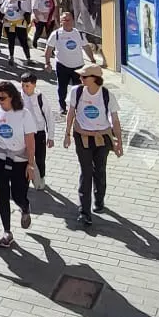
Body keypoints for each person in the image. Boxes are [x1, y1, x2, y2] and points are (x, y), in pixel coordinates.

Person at [0, 78, 47, 247]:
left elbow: (30, 142)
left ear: (12, 96)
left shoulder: (24, 114)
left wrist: (31, 164)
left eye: (2, 98)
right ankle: (7, 231)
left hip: (19, 160)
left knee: (18, 194)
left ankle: (25, 207)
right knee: (2, 195)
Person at [66, 64, 124, 225]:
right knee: (86, 172)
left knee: (99, 169)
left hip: (102, 138)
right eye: (81, 76)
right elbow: (70, 113)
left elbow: (115, 120)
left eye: (84, 76)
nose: (80, 78)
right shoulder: (76, 91)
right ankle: (84, 212)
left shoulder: (107, 95)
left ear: (95, 79)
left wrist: (119, 141)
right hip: (82, 136)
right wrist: (67, 134)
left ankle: (99, 199)